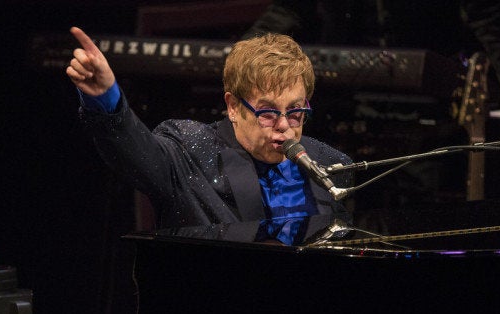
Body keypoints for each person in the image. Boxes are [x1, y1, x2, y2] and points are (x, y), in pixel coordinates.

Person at [65, 26, 353, 245]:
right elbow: (136, 152)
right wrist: (106, 98)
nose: (284, 125)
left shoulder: (331, 164)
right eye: (267, 112)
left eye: (295, 111)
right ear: (233, 106)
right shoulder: (188, 148)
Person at [244, 0, 500, 104]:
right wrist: (241, 57)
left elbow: (490, 17)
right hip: (345, 102)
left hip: (432, 102)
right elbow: (289, 11)